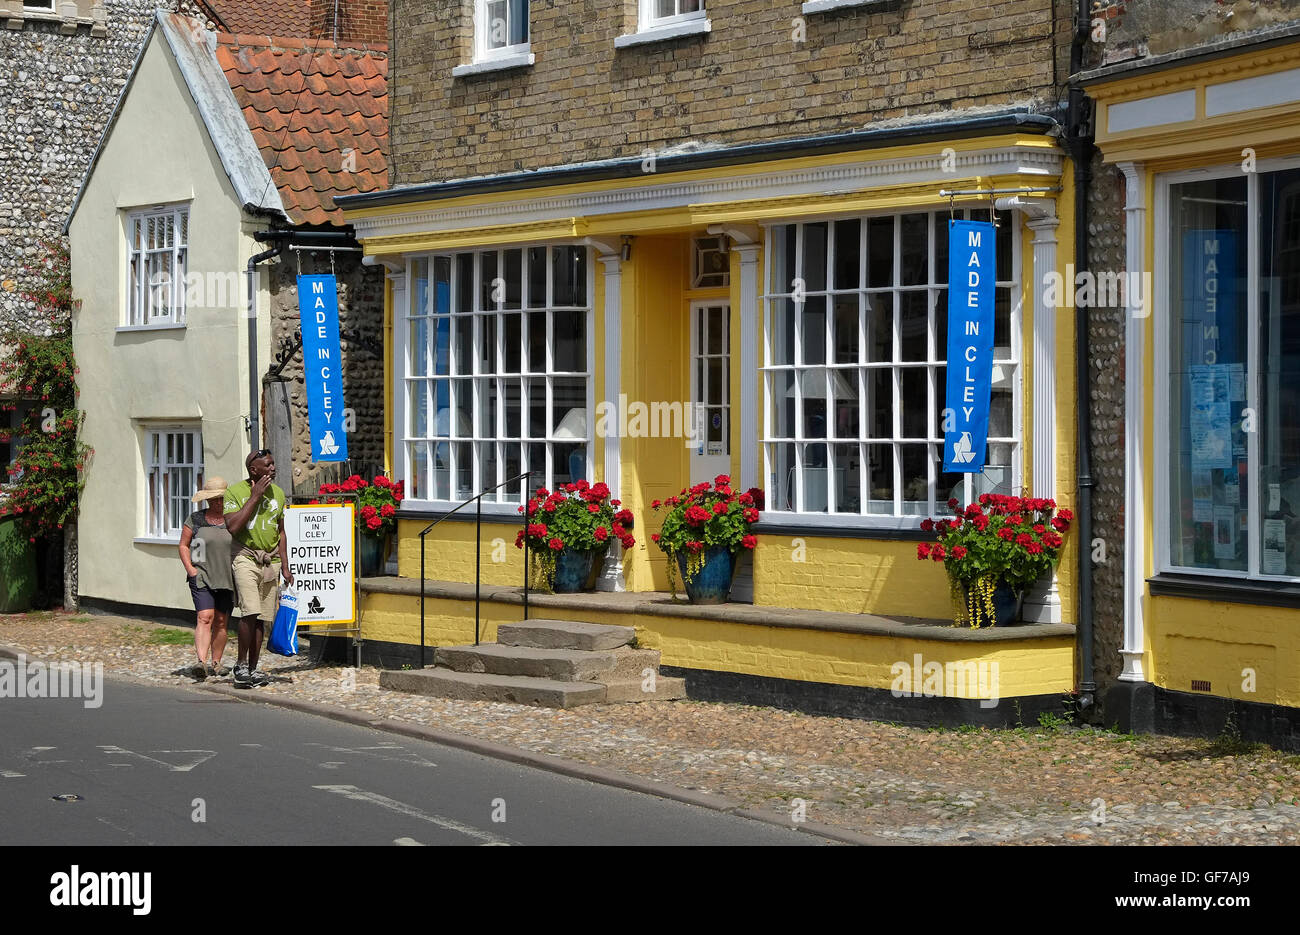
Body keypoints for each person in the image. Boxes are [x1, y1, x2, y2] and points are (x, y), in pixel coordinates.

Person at [224, 449, 294, 688]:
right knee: (249, 612)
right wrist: (254, 496)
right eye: (268, 464)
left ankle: (253, 668)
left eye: (274, 463)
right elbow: (232, 527)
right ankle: (240, 665)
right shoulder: (235, 492)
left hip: (270, 561)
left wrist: (285, 566)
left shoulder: (279, 494)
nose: (273, 468)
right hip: (245, 556)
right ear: (254, 470)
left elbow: (281, 532)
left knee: (262, 618)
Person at [179, 476, 233, 680]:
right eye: (214, 499)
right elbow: (183, 545)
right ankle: (200, 662)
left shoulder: (233, 519)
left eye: (221, 499)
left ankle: (216, 663)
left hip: (227, 577)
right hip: (201, 575)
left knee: (221, 621)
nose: (218, 503)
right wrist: (190, 569)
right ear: (207, 500)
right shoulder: (196, 519)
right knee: (205, 616)